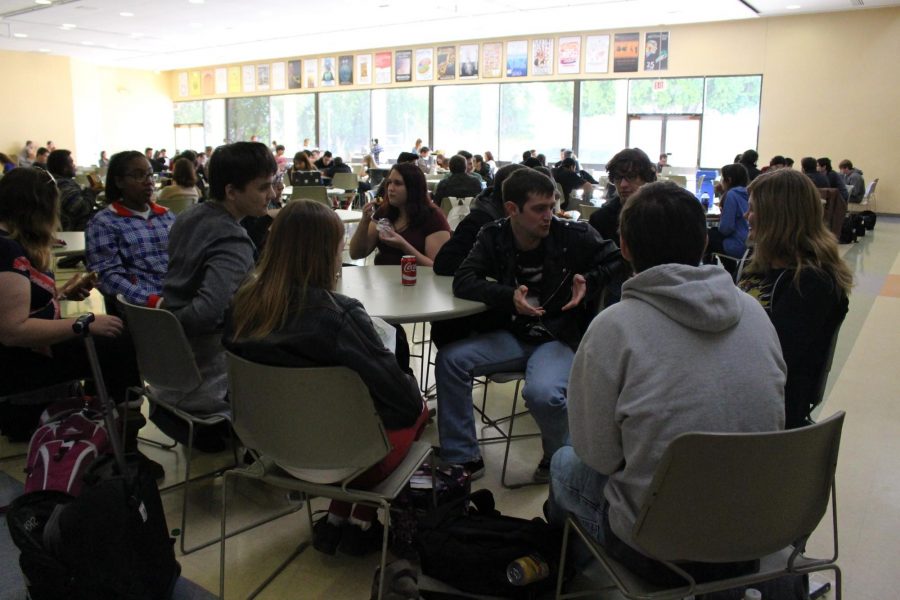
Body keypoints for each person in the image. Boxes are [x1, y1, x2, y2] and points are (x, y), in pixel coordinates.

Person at [548, 180, 786, 586]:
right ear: (705, 239)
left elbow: (598, 456)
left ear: (623, 246)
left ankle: (569, 579)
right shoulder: (754, 312)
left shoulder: (614, 327)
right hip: (758, 529)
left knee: (563, 463)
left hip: (660, 547)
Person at [225, 200, 427, 556]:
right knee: (419, 408)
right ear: (328, 251)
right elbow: (404, 404)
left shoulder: (242, 305)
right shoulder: (339, 316)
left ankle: (339, 517)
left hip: (274, 448)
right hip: (345, 455)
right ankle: (363, 517)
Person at [435, 168, 625, 481]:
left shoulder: (574, 234)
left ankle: (558, 459)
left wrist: (588, 282)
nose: (549, 215)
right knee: (451, 360)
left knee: (543, 393)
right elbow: (463, 280)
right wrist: (508, 296)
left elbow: (617, 259)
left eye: (551, 206)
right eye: (539, 209)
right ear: (512, 209)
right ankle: (463, 458)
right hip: (514, 333)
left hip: (558, 336)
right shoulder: (493, 235)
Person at [0, 168, 140, 441]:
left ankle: (107, 418)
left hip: (25, 353)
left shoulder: (12, 244)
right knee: (115, 340)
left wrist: (60, 295)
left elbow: (15, 306)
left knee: (112, 339)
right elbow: (12, 330)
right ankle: (125, 435)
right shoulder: (6, 251)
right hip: (15, 364)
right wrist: (82, 324)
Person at [156, 141, 277, 448]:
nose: (272, 195)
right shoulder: (233, 240)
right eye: (263, 188)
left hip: (169, 380)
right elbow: (207, 314)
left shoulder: (187, 219)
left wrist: (165, 323)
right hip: (208, 383)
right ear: (231, 191)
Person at [739, 168, 851, 428]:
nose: (747, 216)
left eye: (754, 209)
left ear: (777, 217)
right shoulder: (759, 266)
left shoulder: (814, 283)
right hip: (743, 393)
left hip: (771, 413)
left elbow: (773, 358)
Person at [86, 150, 175, 309]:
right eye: (138, 175)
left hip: (180, 296)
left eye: (149, 175)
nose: (148, 182)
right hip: (142, 308)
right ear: (119, 181)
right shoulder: (104, 222)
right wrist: (155, 302)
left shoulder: (167, 216)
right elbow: (108, 277)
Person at [349, 162, 450, 267]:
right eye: (389, 183)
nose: (390, 188)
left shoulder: (433, 217)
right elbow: (356, 254)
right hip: (383, 280)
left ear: (413, 188)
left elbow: (437, 267)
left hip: (417, 280)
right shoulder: (384, 212)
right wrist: (364, 222)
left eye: (398, 183)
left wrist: (403, 245)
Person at [589, 148, 656, 243]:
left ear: (647, 178)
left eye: (631, 177)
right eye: (618, 178)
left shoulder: (661, 217)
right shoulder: (600, 219)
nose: (623, 184)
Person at [705, 163, 749, 260]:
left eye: (722, 178)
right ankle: (730, 269)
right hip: (749, 245)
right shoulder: (747, 193)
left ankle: (714, 270)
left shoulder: (731, 195)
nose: (721, 182)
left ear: (729, 180)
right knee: (713, 233)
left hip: (736, 244)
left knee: (705, 236)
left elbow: (726, 229)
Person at [48, 149, 97, 231]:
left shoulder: (58, 181)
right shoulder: (62, 184)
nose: (74, 166)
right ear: (64, 168)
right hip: (72, 230)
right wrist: (92, 192)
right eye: (71, 163)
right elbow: (82, 209)